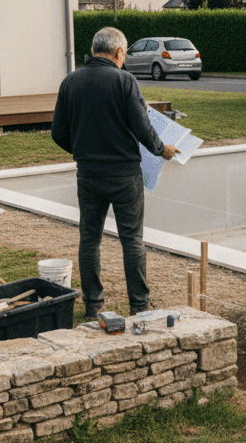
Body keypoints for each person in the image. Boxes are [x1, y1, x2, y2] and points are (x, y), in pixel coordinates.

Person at [51, 26, 178, 318]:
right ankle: (139, 306)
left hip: (89, 174)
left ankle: (93, 305)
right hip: (124, 176)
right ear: (119, 52)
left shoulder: (70, 82)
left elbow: (58, 132)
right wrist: (163, 149)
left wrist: (82, 149)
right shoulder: (125, 81)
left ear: (94, 49)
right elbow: (142, 128)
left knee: (89, 239)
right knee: (132, 240)